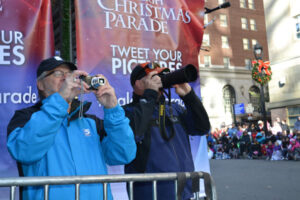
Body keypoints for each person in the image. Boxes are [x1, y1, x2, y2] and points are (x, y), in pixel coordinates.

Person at [6, 56, 137, 200]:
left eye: (69, 74)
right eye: (57, 73)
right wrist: (61, 99)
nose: (65, 78)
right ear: (40, 84)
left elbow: (123, 154)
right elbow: (24, 151)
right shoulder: (26, 117)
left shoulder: (90, 121)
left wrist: (112, 109)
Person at [123, 63, 210, 200]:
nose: (160, 80)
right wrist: (150, 94)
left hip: (184, 191)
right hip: (150, 193)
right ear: (138, 83)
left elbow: (202, 128)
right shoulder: (126, 112)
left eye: (161, 76)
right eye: (154, 77)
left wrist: (189, 96)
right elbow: (135, 134)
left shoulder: (174, 108)